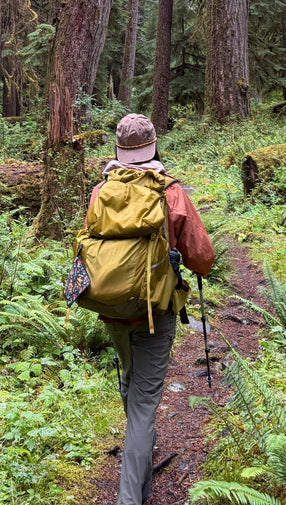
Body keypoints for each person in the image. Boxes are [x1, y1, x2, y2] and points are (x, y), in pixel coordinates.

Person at [92, 113, 214, 505]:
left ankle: (140, 475)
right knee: (144, 406)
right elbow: (203, 258)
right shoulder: (170, 192)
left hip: (111, 309)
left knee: (132, 382)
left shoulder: (101, 191)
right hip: (155, 313)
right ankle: (131, 498)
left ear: (119, 151)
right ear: (153, 146)